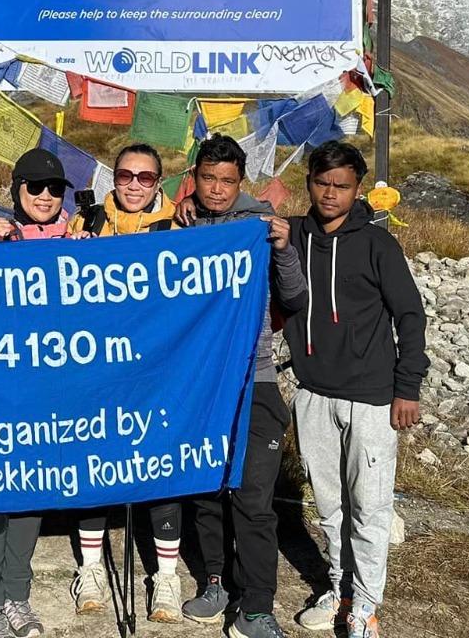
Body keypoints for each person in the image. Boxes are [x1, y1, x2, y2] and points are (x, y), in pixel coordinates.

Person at [280, 141, 427, 638]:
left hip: (372, 398)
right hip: (314, 393)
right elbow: (243, 217)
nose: (330, 194)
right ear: (309, 183)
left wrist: (407, 388)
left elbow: (410, 316)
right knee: (327, 505)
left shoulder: (378, 245)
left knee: (369, 508)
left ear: (357, 189)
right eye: (322, 183)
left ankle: (366, 606)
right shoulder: (295, 235)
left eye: (341, 186)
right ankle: (339, 588)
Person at [175, 134, 302, 638]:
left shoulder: (261, 225)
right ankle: (214, 581)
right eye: (208, 178)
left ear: (240, 181)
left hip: (257, 380)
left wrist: (284, 248)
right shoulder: (182, 223)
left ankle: (256, 607)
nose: (218, 189)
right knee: (206, 489)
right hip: (200, 381)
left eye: (228, 180)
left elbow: (293, 295)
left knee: (252, 496)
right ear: (195, 177)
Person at [66, 143, 184, 621]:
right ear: (113, 177)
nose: (134, 184)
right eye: (125, 175)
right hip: (94, 365)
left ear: (160, 182)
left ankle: (167, 578)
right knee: (91, 456)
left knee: (158, 463)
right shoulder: (87, 222)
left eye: (146, 177)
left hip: (152, 367)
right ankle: (91, 567)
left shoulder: (177, 229)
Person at [0, 147, 74, 638]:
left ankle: (17, 596)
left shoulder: (80, 240)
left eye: (55, 188)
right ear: (17, 191)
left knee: (31, 491)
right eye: (35, 187)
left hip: (47, 388)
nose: (46, 196)